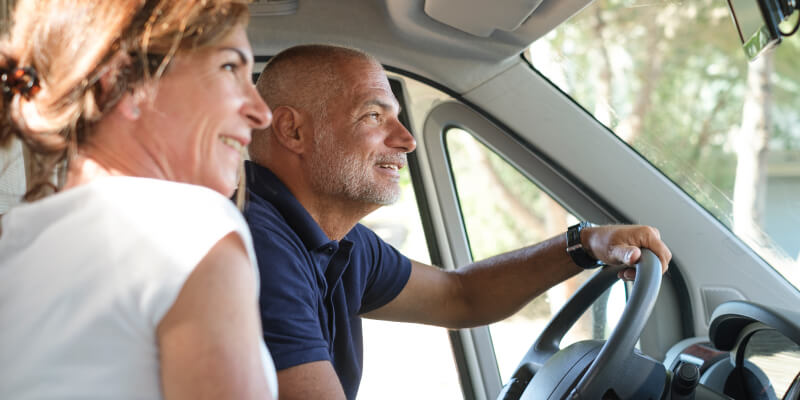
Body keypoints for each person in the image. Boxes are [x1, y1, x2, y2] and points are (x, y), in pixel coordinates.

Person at [245, 44, 673, 400]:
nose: (406, 140)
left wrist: (586, 244)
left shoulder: (337, 241)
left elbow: (461, 295)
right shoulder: (258, 245)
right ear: (293, 131)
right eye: (374, 116)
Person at [0, 1, 276, 399]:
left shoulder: (11, 238)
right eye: (230, 67)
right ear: (120, 83)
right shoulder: (191, 230)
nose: (260, 111)